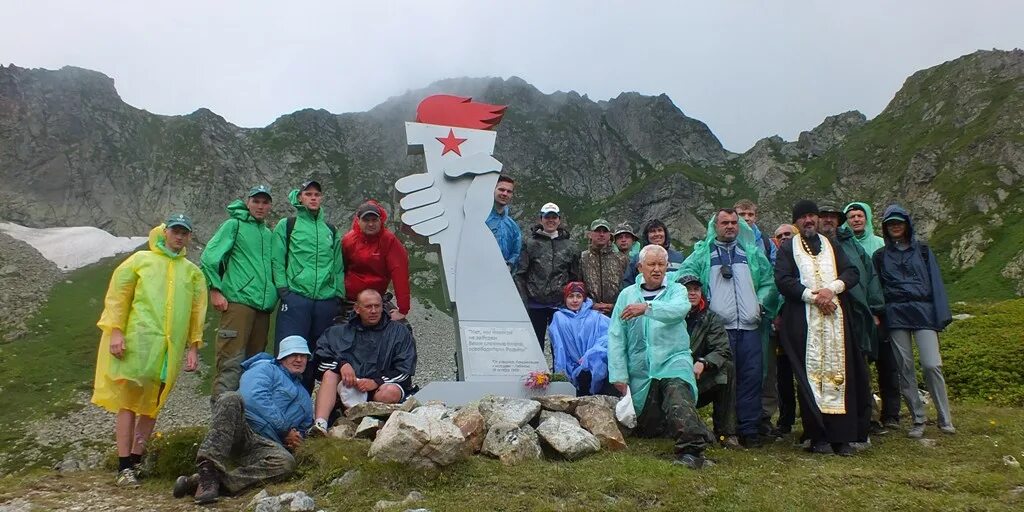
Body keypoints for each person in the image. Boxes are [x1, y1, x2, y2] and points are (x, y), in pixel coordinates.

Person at [92, 214, 207, 486]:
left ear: (189, 237)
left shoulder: (192, 272)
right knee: (128, 403)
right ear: (165, 232)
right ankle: (123, 467)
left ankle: (136, 460)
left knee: (152, 405)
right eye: (175, 231)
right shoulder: (140, 261)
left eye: (184, 233)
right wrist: (116, 331)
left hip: (169, 348)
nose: (179, 237)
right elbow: (118, 297)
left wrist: (193, 347)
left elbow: (196, 312)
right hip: (138, 342)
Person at [775, 200, 871, 456]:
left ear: (817, 219)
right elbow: (783, 280)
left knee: (841, 375)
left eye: (811, 216)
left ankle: (843, 437)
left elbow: (851, 273)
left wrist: (832, 290)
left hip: (837, 322)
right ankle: (818, 437)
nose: (808, 221)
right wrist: (814, 297)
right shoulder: (787, 249)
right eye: (803, 217)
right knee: (810, 378)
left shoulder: (832, 245)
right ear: (796, 222)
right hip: (804, 322)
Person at [608, 245, 715, 469]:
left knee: (677, 395)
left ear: (667, 267)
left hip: (673, 361)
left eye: (661, 265)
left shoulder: (677, 291)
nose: (657, 269)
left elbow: (678, 310)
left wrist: (647, 307)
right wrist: (619, 374)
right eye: (651, 264)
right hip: (642, 372)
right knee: (647, 427)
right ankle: (696, 428)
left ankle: (691, 451)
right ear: (640, 267)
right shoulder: (626, 295)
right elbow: (617, 336)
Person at [678, 208, 777, 448]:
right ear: (716, 226)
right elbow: (682, 276)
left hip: (751, 327)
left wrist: (761, 304)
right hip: (720, 330)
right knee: (726, 381)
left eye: (734, 222)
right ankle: (727, 430)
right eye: (725, 223)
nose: (730, 226)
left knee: (752, 378)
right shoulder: (703, 254)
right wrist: (701, 299)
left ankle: (750, 430)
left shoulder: (750, 253)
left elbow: (768, 282)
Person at [172, 336, 313, 504]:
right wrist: (285, 429)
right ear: (282, 357)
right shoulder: (264, 368)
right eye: (293, 354)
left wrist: (297, 439)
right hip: (241, 429)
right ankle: (207, 469)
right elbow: (251, 396)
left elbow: (304, 428)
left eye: (303, 355)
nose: (299, 359)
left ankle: (210, 483)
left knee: (286, 463)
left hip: (265, 445)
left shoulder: (305, 397)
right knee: (230, 398)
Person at [873, 205, 955, 438]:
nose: (895, 226)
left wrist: (941, 314)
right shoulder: (880, 256)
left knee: (932, 364)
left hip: (923, 312)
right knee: (904, 366)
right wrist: (878, 312)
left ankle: (944, 417)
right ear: (885, 228)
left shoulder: (924, 251)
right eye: (890, 224)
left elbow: (936, 282)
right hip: (896, 314)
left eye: (899, 222)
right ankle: (918, 419)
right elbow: (877, 288)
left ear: (907, 225)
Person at [825, 204, 898, 435]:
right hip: (828, 316)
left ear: (838, 221)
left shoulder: (852, 245)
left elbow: (870, 276)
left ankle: (866, 420)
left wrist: (875, 310)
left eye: (832, 218)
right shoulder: (813, 246)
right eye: (823, 217)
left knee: (860, 368)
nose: (828, 222)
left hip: (856, 316)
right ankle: (836, 421)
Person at [200, 185, 276, 403]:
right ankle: (221, 421)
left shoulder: (267, 233)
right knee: (230, 362)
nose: (260, 206)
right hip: (238, 303)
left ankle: (244, 422)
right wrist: (215, 289)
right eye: (256, 201)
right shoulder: (234, 225)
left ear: (270, 205)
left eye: (265, 202)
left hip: (262, 309)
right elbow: (209, 257)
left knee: (254, 365)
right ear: (248, 202)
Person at [309, 289, 417, 435]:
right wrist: (342, 365)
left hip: (381, 389)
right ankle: (320, 425)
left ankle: (370, 425)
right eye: (368, 306)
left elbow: (405, 370)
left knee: (389, 392)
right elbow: (320, 360)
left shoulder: (399, 332)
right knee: (329, 374)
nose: (373, 311)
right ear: (357, 309)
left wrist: (377, 381)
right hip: (348, 387)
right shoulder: (338, 331)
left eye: (377, 306)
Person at [272, 180, 345, 392]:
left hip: (325, 300)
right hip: (296, 298)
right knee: (290, 354)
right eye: (308, 194)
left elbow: (338, 265)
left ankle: (308, 409)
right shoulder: (288, 225)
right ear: (300, 198)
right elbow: (277, 259)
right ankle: (286, 406)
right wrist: (283, 290)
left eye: (317, 194)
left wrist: (338, 294)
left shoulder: (330, 230)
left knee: (319, 354)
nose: (313, 198)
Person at [679, 274, 738, 448]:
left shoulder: (710, 318)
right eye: (687, 290)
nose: (692, 293)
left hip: (698, 379)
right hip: (672, 376)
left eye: (696, 289)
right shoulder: (670, 316)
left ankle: (725, 433)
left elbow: (722, 349)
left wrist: (704, 362)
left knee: (727, 368)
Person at [515, 202, 581, 351]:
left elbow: (575, 277)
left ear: (559, 220)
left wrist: (572, 302)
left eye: (554, 217)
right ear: (541, 219)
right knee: (533, 347)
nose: (550, 220)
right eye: (547, 217)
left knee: (560, 347)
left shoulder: (570, 246)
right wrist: (524, 302)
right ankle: (535, 375)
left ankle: (559, 374)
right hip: (534, 305)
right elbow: (520, 274)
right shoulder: (530, 243)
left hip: (559, 306)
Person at [341, 200, 411, 322]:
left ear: (380, 220)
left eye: (374, 220)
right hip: (349, 299)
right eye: (366, 220)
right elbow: (339, 269)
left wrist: (403, 310)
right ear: (358, 221)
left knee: (402, 328)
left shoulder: (389, 241)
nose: (371, 224)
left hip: (376, 300)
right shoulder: (348, 240)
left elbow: (400, 274)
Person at [548, 282, 612, 396]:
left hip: (592, 364)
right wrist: (560, 372)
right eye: (571, 296)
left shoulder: (595, 316)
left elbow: (608, 337)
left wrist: (590, 355)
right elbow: (559, 347)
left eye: (579, 296)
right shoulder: (559, 317)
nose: (575, 300)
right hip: (570, 364)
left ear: (584, 298)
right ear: (565, 298)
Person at [771, 224, 799, 435]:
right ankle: (786, 420)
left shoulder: (804, 258)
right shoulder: (773, 262)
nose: (784, 238)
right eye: (779, 236)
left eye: (788, 234)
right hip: (780, 326)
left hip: (801, 323)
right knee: (783, 375)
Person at [580, 218, 629, 315]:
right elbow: (578, 285)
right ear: (590, 234)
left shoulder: (622, 259)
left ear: (610, 235)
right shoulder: (582, 258)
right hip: (589, 312)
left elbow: (628, 286)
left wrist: (615, 305)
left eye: (605, 231)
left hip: (617, 312)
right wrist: (591, 305)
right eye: (597, 231)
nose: (601, 234)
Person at [621, 219, 684, 286]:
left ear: (665, 234)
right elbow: (627, 283)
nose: (657, 234)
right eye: (652, 231)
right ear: (647, 236)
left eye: (660, 230)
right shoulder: (637, 258)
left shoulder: (679, 257)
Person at [485, 175, 522, 271]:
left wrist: (509, 265)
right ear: (493, 190)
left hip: (503, 277)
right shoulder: (481, 219)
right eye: (501, 189)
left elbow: (516, 252)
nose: (505, 194)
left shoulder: (513, 226)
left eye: (509, 191)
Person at [734, 199, 777, 264]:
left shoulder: (767, 243)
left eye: (750, 214)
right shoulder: (727, 240)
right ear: (734, 217)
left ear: (755, 218)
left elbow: (775, 267)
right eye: (742, 214)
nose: (746, 218)